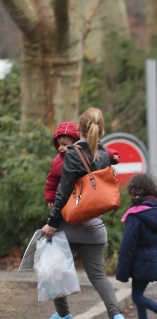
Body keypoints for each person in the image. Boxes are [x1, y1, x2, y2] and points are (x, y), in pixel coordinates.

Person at [40, 108, 126, 319]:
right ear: (102, 129)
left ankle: (63, 315)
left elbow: (64, 190)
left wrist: (51, 223)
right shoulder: (105, 155)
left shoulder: (71, 154)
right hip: (95, 227)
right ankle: (116, 315)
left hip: (69, 227)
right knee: (98, 276)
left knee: (55, 272)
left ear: (78, 129)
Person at [115, 174, 157, 319]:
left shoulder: (135, 216)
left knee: (136, 296)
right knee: (139, 294)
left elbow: (128, 246)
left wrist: (122, 272)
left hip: (141, 264)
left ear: (134, 191)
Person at [44, 121, 120, 210]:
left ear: (76, 143)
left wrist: (112, 155)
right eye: (59, 145)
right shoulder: (57, 162)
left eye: (65, 145)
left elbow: (99, 151)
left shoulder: (83, 152)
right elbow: (51, 181)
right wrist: (50, 198)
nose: (61, 147)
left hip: (87, 195)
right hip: (67, 199)